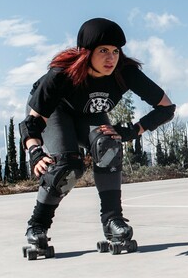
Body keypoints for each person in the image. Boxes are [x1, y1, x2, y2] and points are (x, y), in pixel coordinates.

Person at [19, 17, 175, 258]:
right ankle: (37, 226)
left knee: (109, 146)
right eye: (103, 51)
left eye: (115, 51)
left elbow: (166, 107)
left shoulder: (125, 72)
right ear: (86, 52)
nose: (111, 58)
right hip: (57, 114)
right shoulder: (61, 75)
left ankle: (113, 221)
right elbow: (33, 121)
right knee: (67, 166)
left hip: (89, 114)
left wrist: (130, 132)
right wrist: (35, 152)